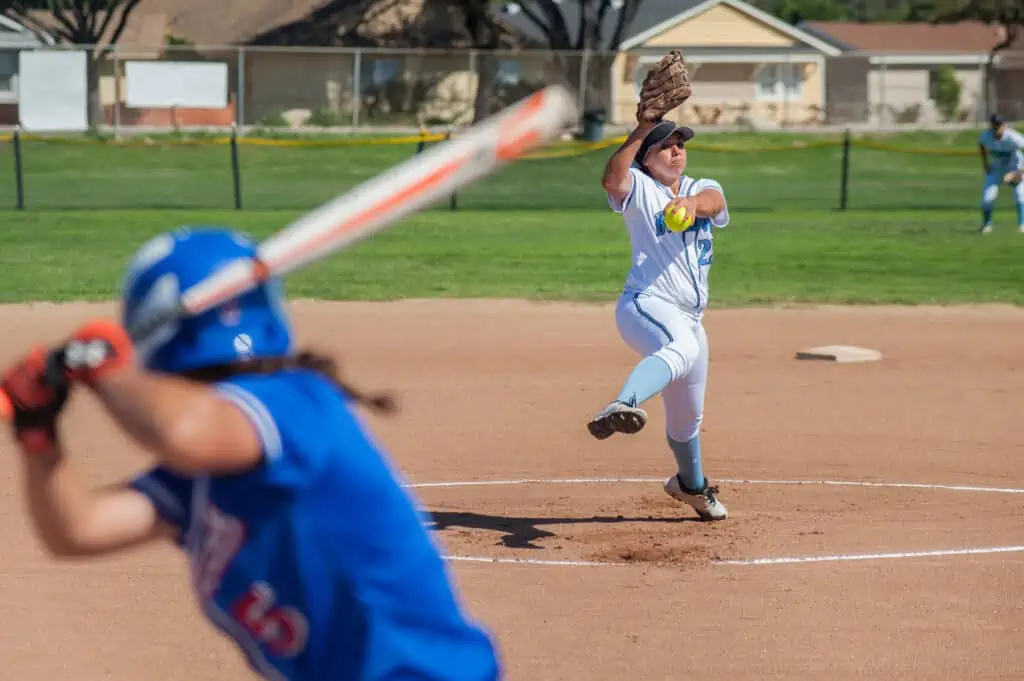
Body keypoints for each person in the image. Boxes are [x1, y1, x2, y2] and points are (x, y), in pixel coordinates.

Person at [0, 227, 502, 681]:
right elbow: (77, 529)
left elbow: (182, 430)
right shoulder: (201, 474)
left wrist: (104, 364)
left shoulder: (293, 405)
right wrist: (37, 433)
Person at [586, 118, 729, 522]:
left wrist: (690, 204)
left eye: (681, 143)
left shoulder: (702, 186)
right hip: (646, 304)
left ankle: (691, 486)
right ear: (646, 159)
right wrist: (639, 130)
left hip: (690, 317)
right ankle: (621, 403)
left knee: (687, 417)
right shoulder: (639, 186)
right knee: (680, 348)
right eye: (666, 145)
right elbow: (612, 182)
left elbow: (713, 203)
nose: (677, 150)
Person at [977, 113, 1024, 234]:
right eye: (995, 125)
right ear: (991, 126)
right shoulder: (986, 136)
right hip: (997, 168)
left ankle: (1022, 225)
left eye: (999, 125)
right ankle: (987, 225)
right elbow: (981, 145)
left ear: (1004, 126)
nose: (997, 128)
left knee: (1020, 195)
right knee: (987, 198)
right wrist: (985, 163)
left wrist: (1016, 173)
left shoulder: (1013, 137)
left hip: (1015, 167)